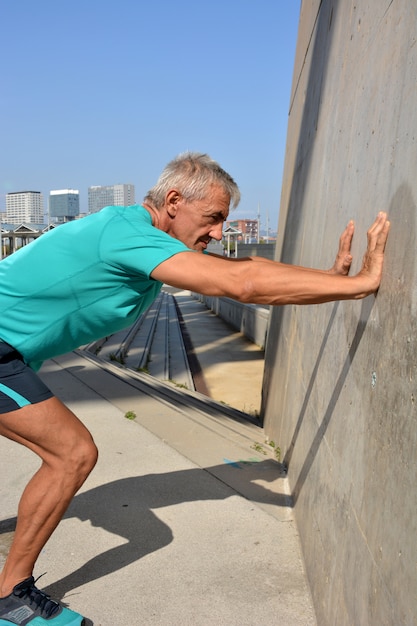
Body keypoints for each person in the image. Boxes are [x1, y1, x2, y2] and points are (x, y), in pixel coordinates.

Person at [0, 152, 390, 626]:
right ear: (173, 201)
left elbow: (242, 268)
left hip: (12, 354)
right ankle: (11, 600)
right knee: (72, 453)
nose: (218, 233)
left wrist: (326, 279)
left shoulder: (134, 234)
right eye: (213, 218)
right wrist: (362, 284)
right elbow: (241, 283)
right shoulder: (125, 235)